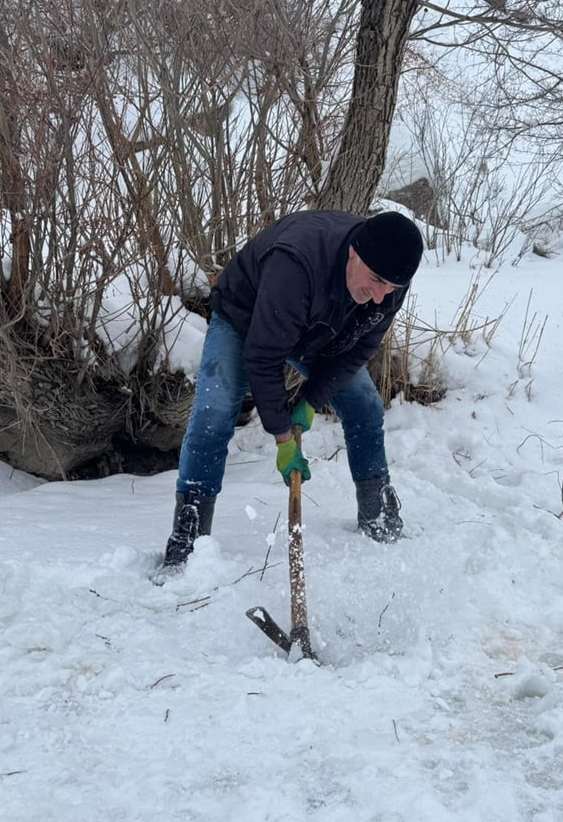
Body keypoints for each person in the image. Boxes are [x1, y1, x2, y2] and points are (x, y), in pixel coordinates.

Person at [159, 209, 425, 572]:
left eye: (390, 288)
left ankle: (377, 509)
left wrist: (312, 401)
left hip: (320, 332)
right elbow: (263, 356)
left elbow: (360, 349)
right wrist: (283, 438)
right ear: (353, 252)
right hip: (247, 317)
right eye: (376, 279)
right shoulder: (297, 261)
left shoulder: (390, 282)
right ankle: (188, 531)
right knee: (215, 410)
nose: (381, 297)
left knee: (364, 404)